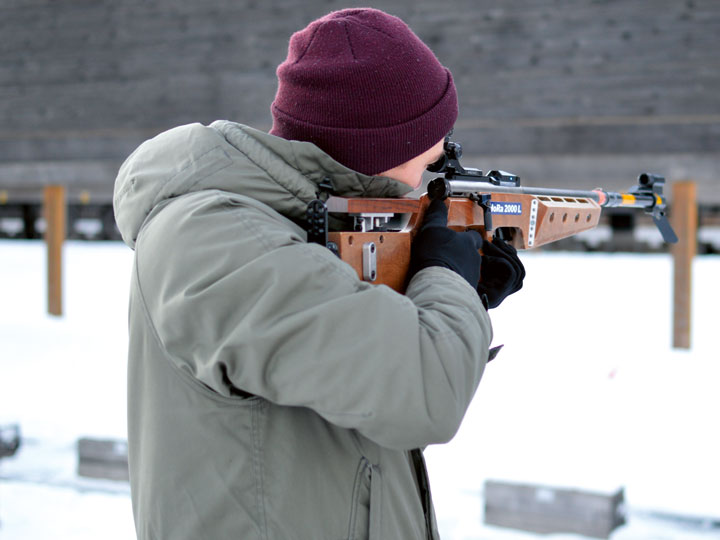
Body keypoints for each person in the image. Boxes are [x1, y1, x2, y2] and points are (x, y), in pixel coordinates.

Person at [113, 8, 523, 539]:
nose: (429, 180)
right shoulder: (214, 239)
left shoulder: (297, 228)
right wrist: (446, 272)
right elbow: (425, 392)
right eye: (426, 164)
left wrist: (451, 293)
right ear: (375, 149)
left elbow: (360, 368)